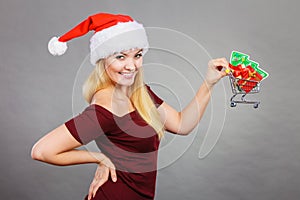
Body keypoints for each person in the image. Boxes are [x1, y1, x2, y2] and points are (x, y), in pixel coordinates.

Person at [31, 13, 229, 200]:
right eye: (120, 57)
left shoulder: (140, 93)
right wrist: (99, 158)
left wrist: (209, 82)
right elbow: (42, 151)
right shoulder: (105, 108)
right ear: (103, 60)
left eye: (137, 55)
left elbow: (182, 124)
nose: (131, 66)